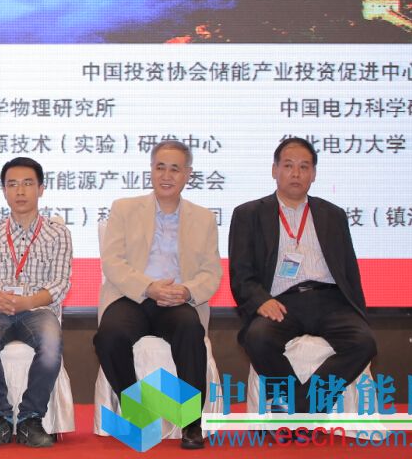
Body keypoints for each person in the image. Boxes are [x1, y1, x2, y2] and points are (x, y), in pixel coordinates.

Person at [229, 137, 376, 415]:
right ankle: (305, 405)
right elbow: (241, 273)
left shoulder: (333, 214)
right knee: (258, 338)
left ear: (314, 174)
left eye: (304, 167)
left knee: (364, 342)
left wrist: (358, 311)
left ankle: (302, 406)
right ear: (274, 170)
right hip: (281, 301)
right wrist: (261, 300)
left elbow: (349, 270)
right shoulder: (249, 214)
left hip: (330, 301)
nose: (296, 173)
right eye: (288, 165)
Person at [92, 140, 221, 450]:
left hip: (177, 299)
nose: (166, 175)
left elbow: (211, 272)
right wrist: (148, 287)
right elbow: (113, 262)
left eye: (175, 169)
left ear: (187, 174)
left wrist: (186, 291)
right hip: (131, 296)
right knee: (109, 336)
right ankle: (137, 411)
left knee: (190, 330)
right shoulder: (124, 208)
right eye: (160, 167)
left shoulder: (203, 217)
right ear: (150, 170)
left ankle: (191, 423)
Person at [0, 157, 72, 448]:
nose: (20, 191)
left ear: (41, 189)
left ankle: (30, 419)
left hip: (37, 310)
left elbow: (60, 283)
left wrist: (27, 302)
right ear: (4, 190)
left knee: (51, 348)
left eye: (27, 184)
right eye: (12, 184)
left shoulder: (57, 233)